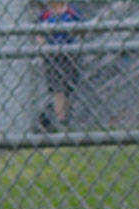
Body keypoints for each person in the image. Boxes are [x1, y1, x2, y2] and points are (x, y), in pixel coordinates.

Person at [37, 1, 84, 129]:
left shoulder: (72, 12)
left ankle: (67, 117)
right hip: (53, 57)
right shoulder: (45, 15)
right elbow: (38, 34)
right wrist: (44, 47)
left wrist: (77, 42)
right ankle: (61, 120)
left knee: (68, 88)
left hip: (69, 55)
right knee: (57, 89)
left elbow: (82, 31)